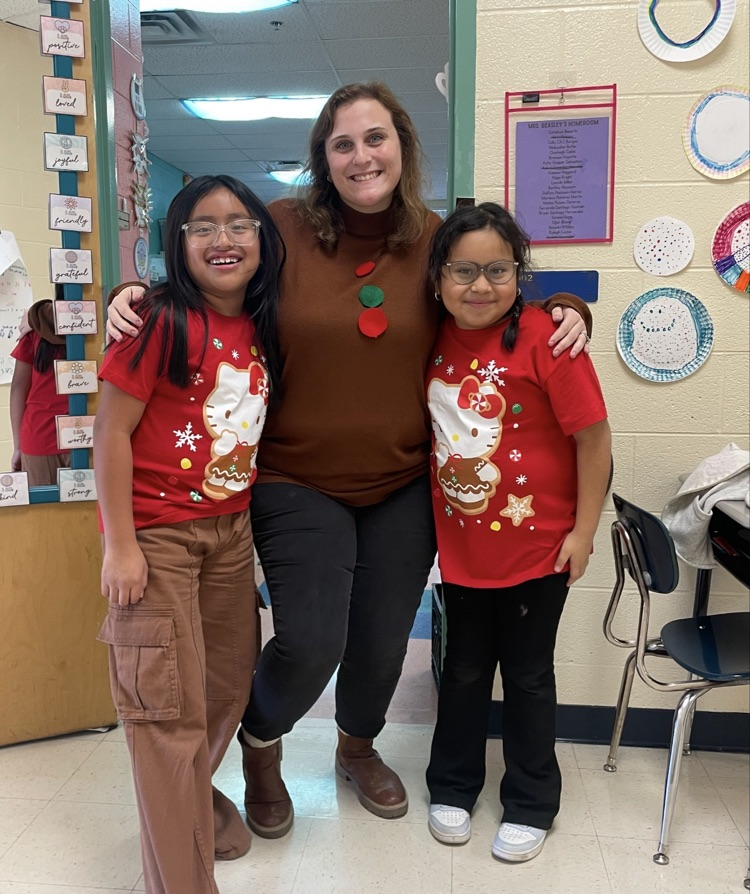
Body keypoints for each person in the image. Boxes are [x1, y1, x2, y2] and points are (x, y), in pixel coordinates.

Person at [105, 82, 592, 838]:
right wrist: (132, 292)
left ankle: (356, 748)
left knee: (382, 639)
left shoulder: (433, 237)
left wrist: (570, 311)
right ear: (323, 159)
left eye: (377, 138)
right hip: (296, 478)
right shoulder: (281, 227)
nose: (362, 155)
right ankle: (262, 748)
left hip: (402, 481)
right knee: (312, 638)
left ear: (403, 145)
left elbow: (491, 295)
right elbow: (210, 277)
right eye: (343, 143)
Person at [94, 174, 284, 894]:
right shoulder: (157, 320)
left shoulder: (261, 324)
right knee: (165, 710)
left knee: (227, 687)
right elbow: (111, 433)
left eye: (239, 224)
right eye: (202, 226)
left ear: (263, 239)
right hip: (159, 539)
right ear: (177, 242)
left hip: (230, 537)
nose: (223, 239)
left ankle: (188, 806)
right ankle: (178, 876)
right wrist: (121, 545)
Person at [423, 202, 611, 862]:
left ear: (519, 274)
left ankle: (531, 800)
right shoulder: (428, 338)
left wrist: (585, 532)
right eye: (464, 270)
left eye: (497, 270)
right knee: (463, 671)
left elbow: (593, 440)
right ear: (439, 277)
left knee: (529, 675)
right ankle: (452, 785)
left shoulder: (548, 339)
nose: (480, 286)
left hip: (539, 550)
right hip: (460, 552)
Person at [10, 293, 71, 486]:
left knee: (43, 514)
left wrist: (18, 446)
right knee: (86, 514)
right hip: (85, 435)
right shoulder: (98, 328)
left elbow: (18, 388)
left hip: (38, 435)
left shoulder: (36, 328)